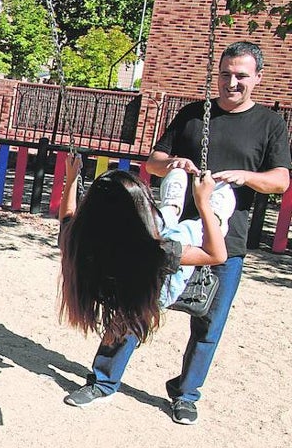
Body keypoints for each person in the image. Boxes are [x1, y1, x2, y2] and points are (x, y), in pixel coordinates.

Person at [63, 41, 291, 424]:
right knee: (133, 305)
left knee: (208, 322)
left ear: (258, 78)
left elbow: (281, 180)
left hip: (225, 239)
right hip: (162, 235)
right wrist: (173, 163)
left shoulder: (270, 123)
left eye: (241, 76)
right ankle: (103, 380)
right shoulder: (193, 115)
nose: (231, 82)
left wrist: (245, 177)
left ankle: (186, 393)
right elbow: (152, 162)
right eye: (225, 74)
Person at [57, 151, 233, 349]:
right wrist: (204, 203)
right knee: (184, 232)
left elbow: (68, 216)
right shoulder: (154, 252)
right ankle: (217, 216)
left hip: (119, 278)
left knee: (157, 223)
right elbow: (216, 255)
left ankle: (172, 207)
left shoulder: (79, 237)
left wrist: (71, 179)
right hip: (157, 292)